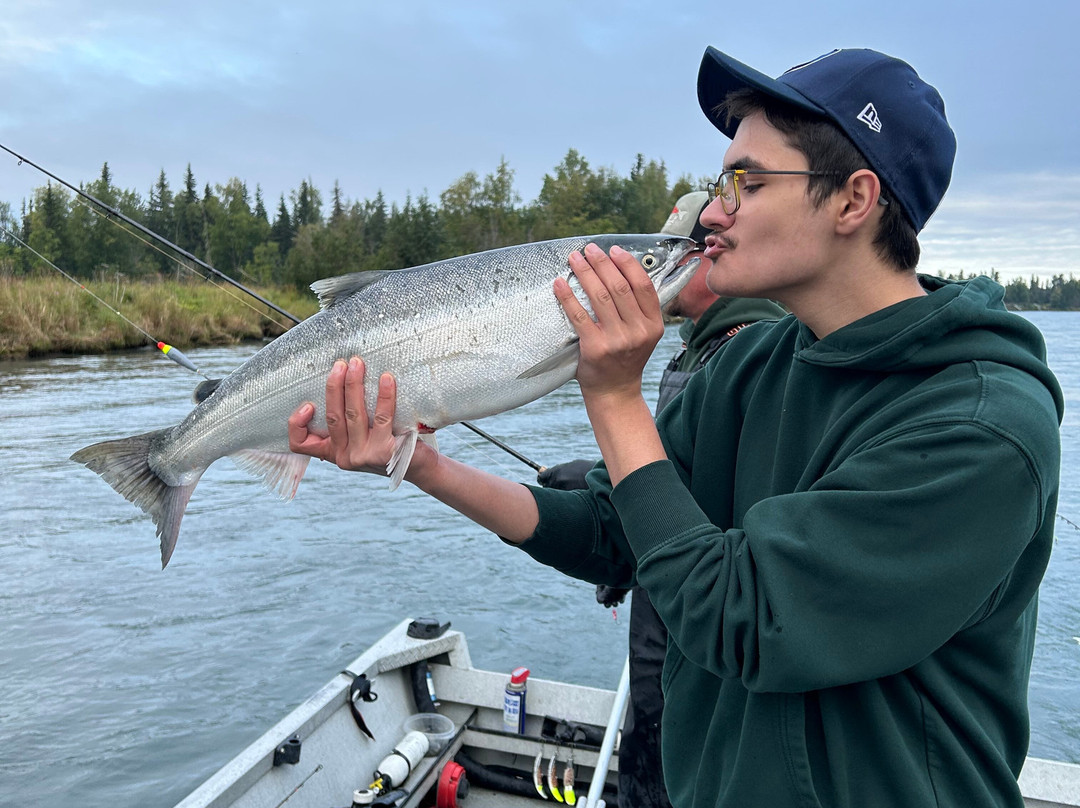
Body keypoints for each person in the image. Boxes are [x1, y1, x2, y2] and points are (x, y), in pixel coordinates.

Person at [288, 46, 1063, 808]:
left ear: (854, 202)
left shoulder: (982, 426)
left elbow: (752, 621)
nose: (715, 210)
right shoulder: (751, 367)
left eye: (748, 181)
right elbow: (613, 533)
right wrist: (421, 463)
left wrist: (616, 397)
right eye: (719, 179)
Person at [537, 189, 786, 808]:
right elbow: (673, 475)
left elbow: (723, 525)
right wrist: (611, 490)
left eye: (686, 252)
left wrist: (623, 500)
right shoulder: (690, 349)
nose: (657, 275)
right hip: (664, 616)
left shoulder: (753, 354)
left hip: (692, 640)